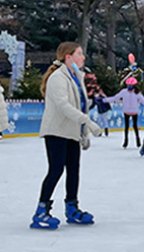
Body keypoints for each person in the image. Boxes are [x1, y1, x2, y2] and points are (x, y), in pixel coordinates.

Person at [32, 42, 103, 229]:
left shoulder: (76, 77)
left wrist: (83, 134)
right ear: (68, 57)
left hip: (71, 132)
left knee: (73, 169)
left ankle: (72, 207)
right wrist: (88, 122)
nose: (83, 57)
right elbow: (64, 107)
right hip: (56, 131)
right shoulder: (58, 78)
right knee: (56, 169)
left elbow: (80, 105)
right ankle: (41, 210)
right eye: (79, 53)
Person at [106, 77, 144, 149]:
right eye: (128, 85)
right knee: (126, 127)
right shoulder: (124, 92)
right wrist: (105, 100)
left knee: (135, 127)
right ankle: (126, 141)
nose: (129, 87)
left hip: (134, 112)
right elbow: (115, 98)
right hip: (126, 112)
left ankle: (137, 140)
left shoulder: (137, 93)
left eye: (131, 85)